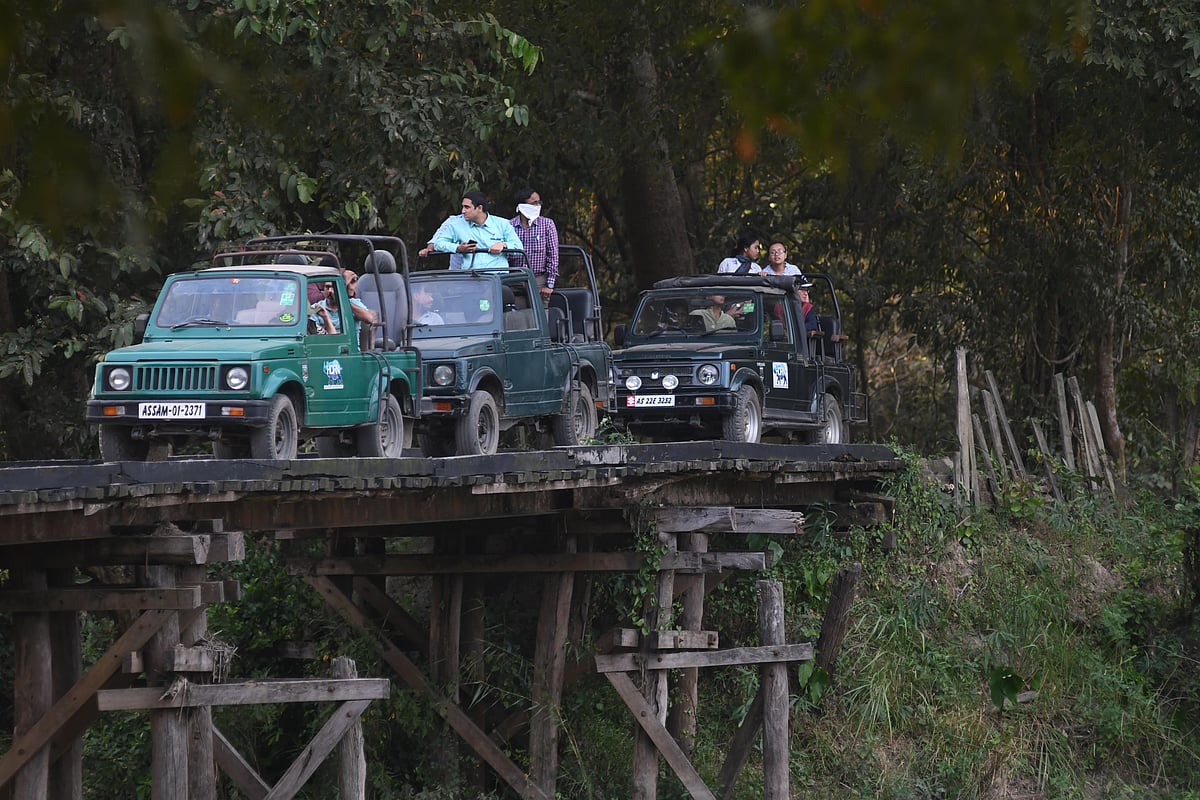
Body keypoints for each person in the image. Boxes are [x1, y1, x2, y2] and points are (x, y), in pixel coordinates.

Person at [429, 191, 523, 270]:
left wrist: (504, 245)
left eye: (467, 207)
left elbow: (519, 247)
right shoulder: (456, 225)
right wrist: (457, 248)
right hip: (471, 277)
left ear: (479, 208)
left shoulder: (502, 224)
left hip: (497, 276)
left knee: (505, 291)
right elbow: (438, 244)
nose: (463, 211)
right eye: (463, 207)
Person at [508, 186, 559, 305]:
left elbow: (553, 255)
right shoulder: (509, 226)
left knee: (540, 318)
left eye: (539, 202)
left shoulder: (547, 224)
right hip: (515, 279)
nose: (538, 206)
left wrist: (549, 284)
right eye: (534, 203)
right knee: (516, 318)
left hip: (538, 280)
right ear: (522, 205)